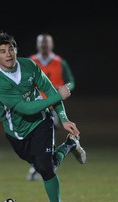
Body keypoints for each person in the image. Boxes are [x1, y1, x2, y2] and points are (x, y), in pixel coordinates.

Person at [0, 32, 86, 202]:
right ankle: (70, 145)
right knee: (46, 166)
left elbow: (49, 91)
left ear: (16, 49)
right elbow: (25, 108)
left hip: (41, 123)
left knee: (45, 169)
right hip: (17, 134)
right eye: (2, 51)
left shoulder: (29, 66)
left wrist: (63, 118)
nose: (8, 54)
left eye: (11, 49)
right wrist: (59, 95)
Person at [27, 33, 76, 181]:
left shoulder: (60, 62)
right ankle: (42, 164)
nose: (44, 45)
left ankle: (43, 166)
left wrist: (64, 89)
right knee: (32, 138)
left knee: (46, 134)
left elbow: (71, 81)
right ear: (37, 45)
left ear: (51, 45)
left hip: (52, 106)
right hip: (34, 105)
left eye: (46, 42)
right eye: (41, 42)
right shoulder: (31, 61)